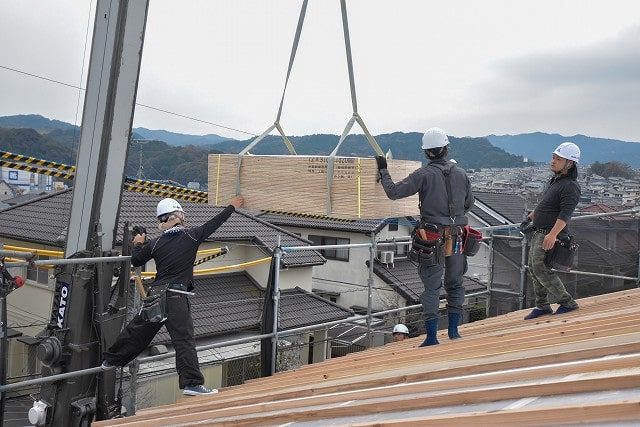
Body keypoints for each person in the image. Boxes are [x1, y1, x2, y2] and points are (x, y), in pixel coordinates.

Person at [103, 195, 244, 396]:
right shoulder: (192, 236)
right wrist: (232, 206)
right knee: (184, 340)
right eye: (180, 215)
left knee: (137, 332)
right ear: (174, 217)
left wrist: (138, 242)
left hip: (156, 296)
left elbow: (136, 259)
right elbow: (216, 222)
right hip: (177, 297)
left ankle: (110, 360)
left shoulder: (156, 243)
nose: (183, 218)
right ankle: (192, 384)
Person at [377, 127, 474, 346]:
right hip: (457, 234)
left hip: (432, 236)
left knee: (432, 287)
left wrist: (383, 169)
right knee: (455, 283)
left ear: (426, 152)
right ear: (446, 149)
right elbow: (468, 204)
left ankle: (431, 337)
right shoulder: (461, 173)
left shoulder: (423, 175)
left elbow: (393, 192)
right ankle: (453, 332)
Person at [524, 142, 581, 320]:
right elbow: (546, 205)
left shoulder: (570, 186)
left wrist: (553, 234)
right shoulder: (556, 181)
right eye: (553, 158)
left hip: (549, 232)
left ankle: (566, 302)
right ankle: (542, 305)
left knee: (541, 268)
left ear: (569, 164)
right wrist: (531, 217)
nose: (553, 161)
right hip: (540, 231)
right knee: (534, 268)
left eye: (558, 159)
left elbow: (566, 214)